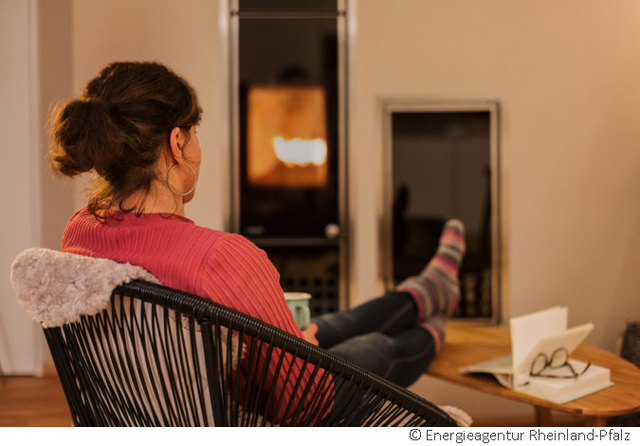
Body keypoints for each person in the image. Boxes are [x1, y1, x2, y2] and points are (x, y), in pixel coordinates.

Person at [50, 61, 465, 422]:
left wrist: (299, 343)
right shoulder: (220, 259)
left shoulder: (80, 231)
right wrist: (300, 348)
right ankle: (435, 321)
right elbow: (301, 402)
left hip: (169, 398)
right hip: (247, 402)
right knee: (377, 345)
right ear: (177, 144)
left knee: (337, 325)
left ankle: (426, 291)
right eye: (194, 132)